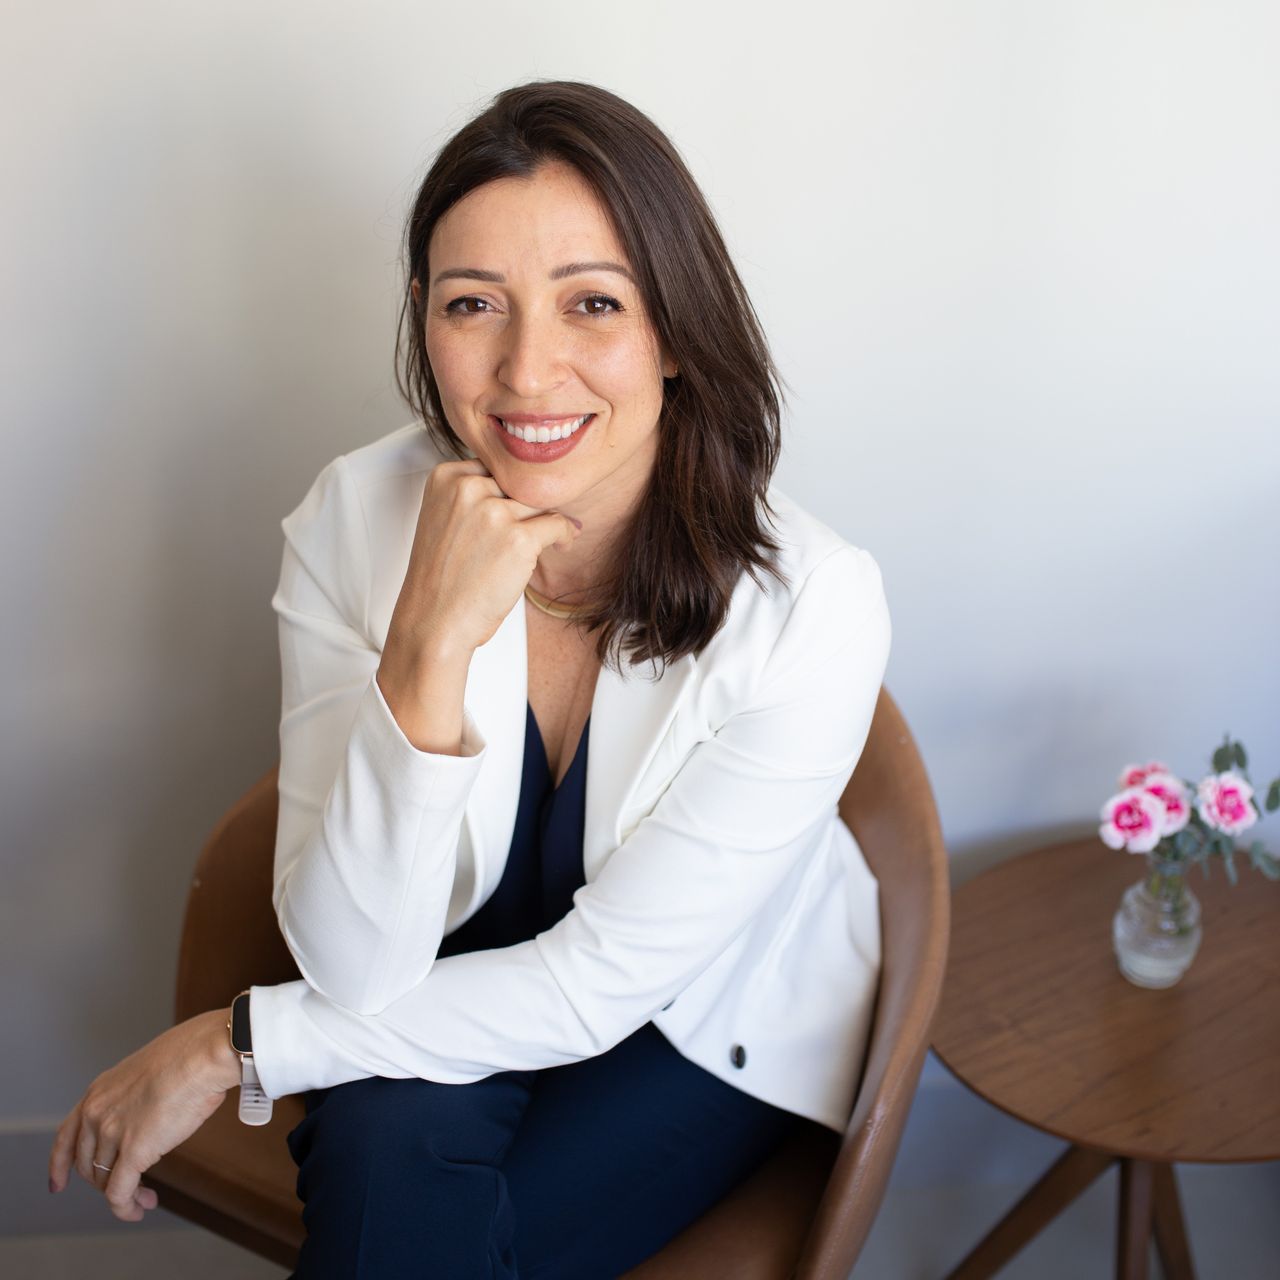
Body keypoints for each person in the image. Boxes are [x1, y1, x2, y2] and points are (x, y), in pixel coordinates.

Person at [49, 80, 891, 1278]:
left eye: (592, 302)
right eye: (472, 304)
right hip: (431, 971)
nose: (526, 371)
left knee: (410, 1236)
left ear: (675, 328)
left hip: (695, 1011)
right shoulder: (353, 517)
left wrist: (232, 1045)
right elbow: (354, 964)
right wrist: (426, 645)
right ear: (422, 318)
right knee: (386, 1167)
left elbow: (599, 984)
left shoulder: (814, 602)